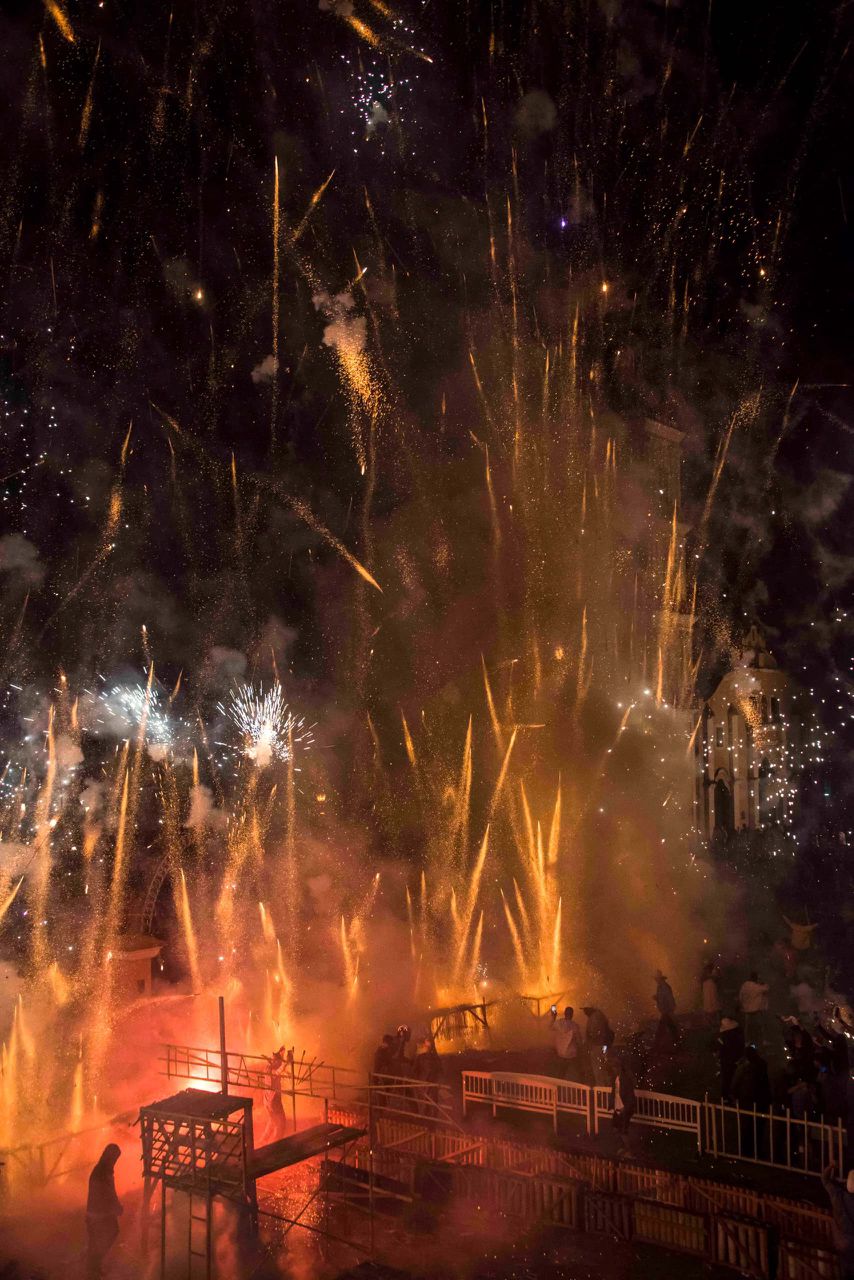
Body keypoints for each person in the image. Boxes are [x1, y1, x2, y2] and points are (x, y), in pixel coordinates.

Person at [86, 1143, 122, 1279]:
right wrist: (116, 1206)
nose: (115, 1161)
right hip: (98, 1214)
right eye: (115, 1158)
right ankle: (93, 1269)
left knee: (96, 1241)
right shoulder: (102, 1172)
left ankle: (94, 1268)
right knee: (110, 1233)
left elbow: (110, 1192)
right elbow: (107, 1193)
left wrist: (115, 1205)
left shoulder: (102, 1170)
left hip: (97, 1213)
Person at [821, 1164, 854, 1279]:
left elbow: (825, 1180)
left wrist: (830, 1166)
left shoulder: (837, 1195)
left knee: (846, 1270)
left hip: (842, 1243)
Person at [261, 1046, 289, 1144]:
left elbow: (278, 1072)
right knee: (280, 1123)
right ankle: (275, 1144)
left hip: (267, 1101)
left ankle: (263, 1140)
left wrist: (286, 1072)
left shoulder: (268, 1068)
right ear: (276, 1062)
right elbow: (277, 1072)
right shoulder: (272, 1070)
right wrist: (286, 1063)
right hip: (273, 1100)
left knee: (272, 1120)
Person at [611, 1056, 637, 1157]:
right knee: (616, 1129)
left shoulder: (626, 1080)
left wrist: (625, 1108)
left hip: (624, 1109)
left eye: (614, 1068)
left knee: (623, 1131)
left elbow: (630, 1095)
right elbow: (615, 1093)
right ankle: (623, 1148)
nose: (613, 1070)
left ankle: (629, 1151)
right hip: (618, 1108)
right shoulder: (616, 1079)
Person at [582, 1006, 614, 1085]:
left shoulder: (594, 1018)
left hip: (597, 1046)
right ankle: (608, 1086)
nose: (584, 1012)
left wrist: (588, 1042)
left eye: (585, 1010)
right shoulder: (601, 1016)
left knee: (598, 1068)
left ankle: (602, 1089)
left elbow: (592, 1033)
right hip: (604, 1046)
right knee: (604, 1066)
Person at [717, 1016, 745, 1102]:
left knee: (727, 1079)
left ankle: (726, 1096)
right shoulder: (733, 1036)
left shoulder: (724, 1037)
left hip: (727, 1061)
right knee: (731, 1078)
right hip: (732, 1061)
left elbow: (721, 1049)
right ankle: (730, 1095)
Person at [551, 1006, 583, 1080]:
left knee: (561, 1074)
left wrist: (553, 1017)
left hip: (562, 1054)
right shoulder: (575, 1025)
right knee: (578, 1073)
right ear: (572, 1014)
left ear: (565, 1013)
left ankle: (559, 1087)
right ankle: (580, 1087)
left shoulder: (559, 1023)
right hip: (572, 1054)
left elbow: (550, 1027)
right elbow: (579, 1040)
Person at [739, 971, 769, 1043]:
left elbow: (740, 997)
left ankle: (746, 1041)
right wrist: (763, 982)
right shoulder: (756, 987)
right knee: (760, 1027)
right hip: (756, 1011)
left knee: (747, 1028)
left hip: (746, 1011)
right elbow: (766, 988)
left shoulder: (744, 985)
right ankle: (762, 1041)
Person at [653, 971, 679, 1053]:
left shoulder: (664, 987)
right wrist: (657, 998)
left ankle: (657, 1046)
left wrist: (669, 1009)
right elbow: (662, 998)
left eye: (657, 979)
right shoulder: (660, 987)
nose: (656, 980)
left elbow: (669, 998)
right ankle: (678, 1044)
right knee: (672, 1028)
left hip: (666, 1011)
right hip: (665, 1010)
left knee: (662, 1029)